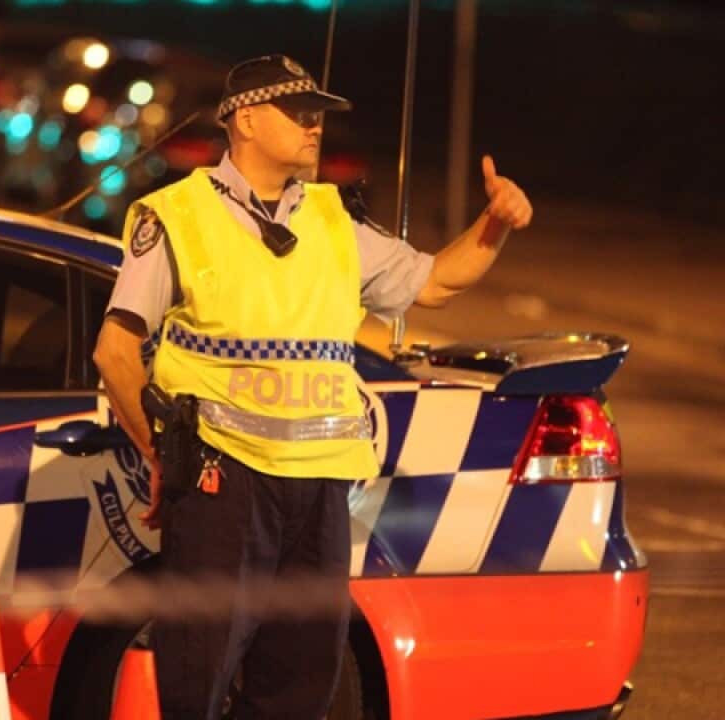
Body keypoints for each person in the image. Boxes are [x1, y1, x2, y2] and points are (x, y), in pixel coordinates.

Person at [93, 54, 532, 720]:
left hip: (320, 489)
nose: (314, 126)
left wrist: (494, 222)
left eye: (319, 114)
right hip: (223, 481)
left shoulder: (332, 220)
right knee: (199, 678)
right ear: (244, 118)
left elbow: (436, 282)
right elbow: (115, 352)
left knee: (302, 684)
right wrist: (161, 455)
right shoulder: (175, 214)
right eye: (296, 112)